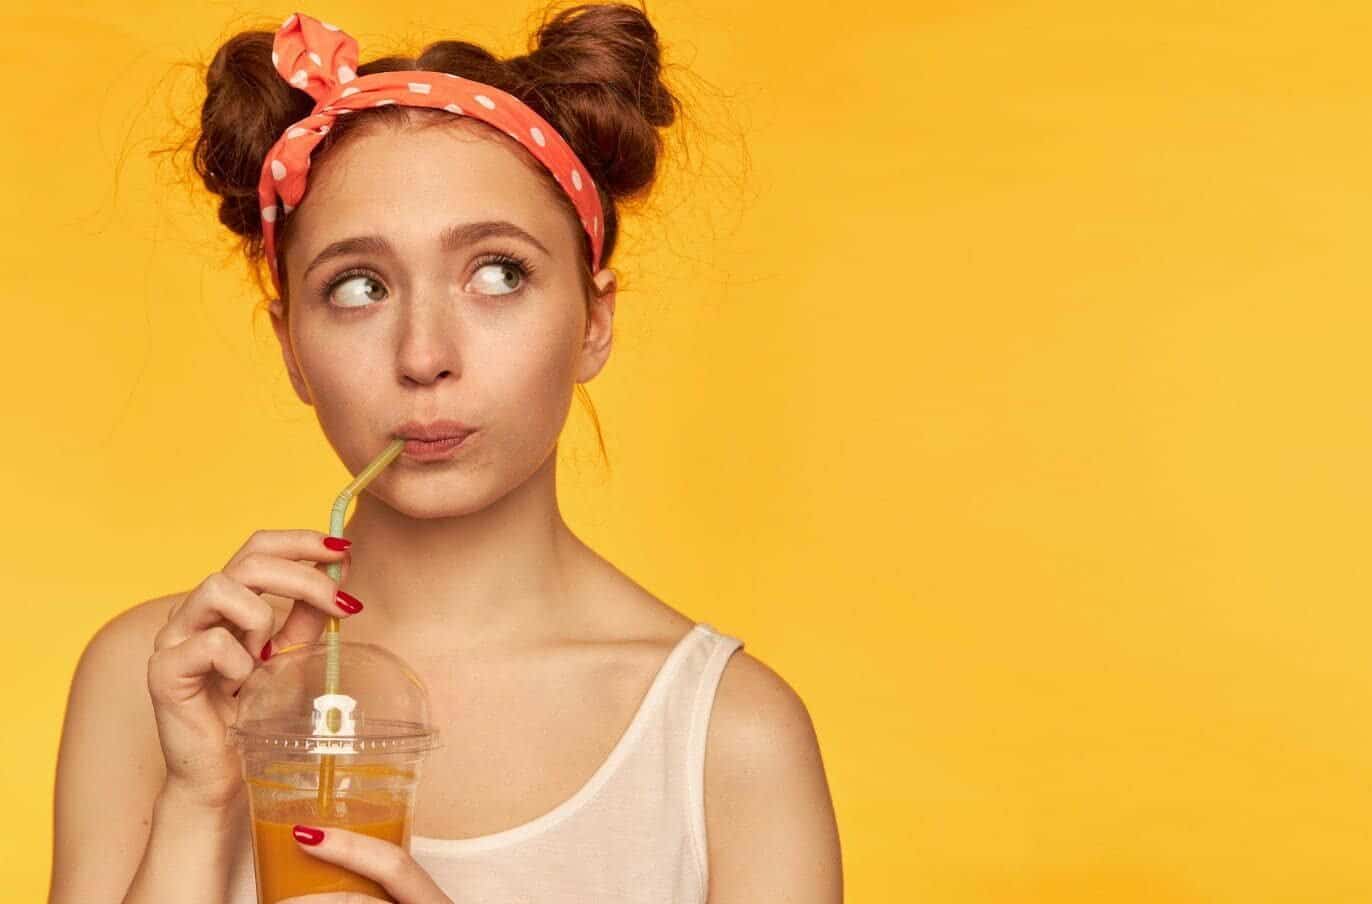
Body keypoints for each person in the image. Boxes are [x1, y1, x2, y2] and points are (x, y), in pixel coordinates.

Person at [48, 5, 842, 902]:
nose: (424, 355)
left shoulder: (729, 739)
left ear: (594, 322)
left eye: (498, 273)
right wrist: (199, 802)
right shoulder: (162, 680)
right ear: (291, 348)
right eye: (359, 287)